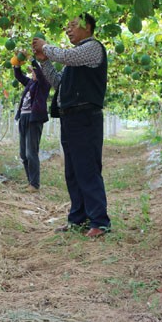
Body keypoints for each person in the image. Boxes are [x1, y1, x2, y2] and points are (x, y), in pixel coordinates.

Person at [32, 13, 110, 238]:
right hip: (71, 117)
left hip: (85, 116)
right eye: (67, 27)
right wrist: (45, 62)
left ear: (88, 26)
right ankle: (78, 218)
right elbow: (58, 82)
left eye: (73, 25)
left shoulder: (92, 48)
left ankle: (99, 221)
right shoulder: (75, 60)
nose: (68, 30)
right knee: (73, 171)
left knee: (87, 169)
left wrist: (46, 47)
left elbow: (66, 56)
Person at [13, 55, 51, 191]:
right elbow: (19, 76)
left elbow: (40, 74)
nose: (33, 74)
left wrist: (32, 60)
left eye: (34, 72)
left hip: (34, 119)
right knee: (23, 154)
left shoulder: (44, 84)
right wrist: (17, 63)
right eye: (33, 72)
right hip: (23, 118)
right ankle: (30, 182)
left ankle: (35, 184)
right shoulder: (30, 83)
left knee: (31, 153)